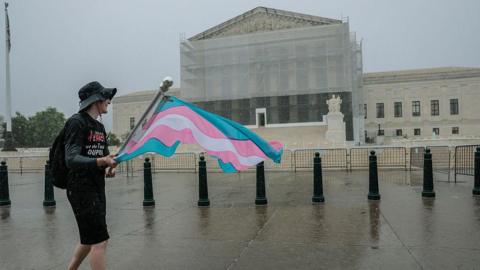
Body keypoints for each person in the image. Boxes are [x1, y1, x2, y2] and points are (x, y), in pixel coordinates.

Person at [64, 81, 117, 270]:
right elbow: (71, 158)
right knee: (100, 241)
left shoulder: (100, 128)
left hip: (97, 186)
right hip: (80, 188)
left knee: (89, 239)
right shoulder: (76, 122)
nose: (109, 100)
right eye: (105, 97)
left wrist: (110, 164)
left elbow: (103, 154)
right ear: (95, 99)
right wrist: (101, 162)